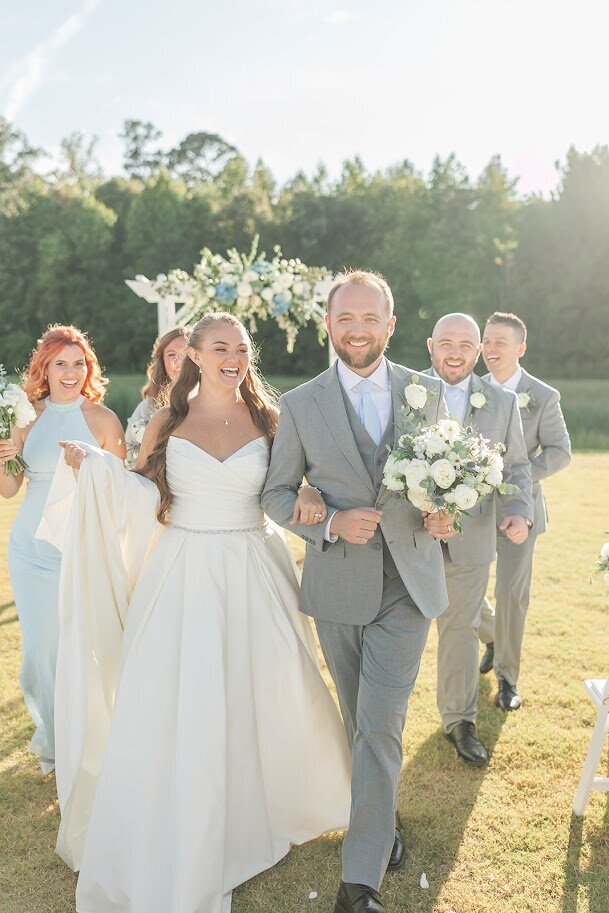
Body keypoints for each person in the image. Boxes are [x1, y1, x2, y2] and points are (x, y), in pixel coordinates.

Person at [52, 312, 351, 913]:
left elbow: (288, 487)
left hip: (253, 566)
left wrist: (314, 497)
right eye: (220, 348)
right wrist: (101, 473)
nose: (233, 358)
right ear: (193, 353)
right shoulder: (168, 418)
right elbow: (144, 493)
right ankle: (191, 805)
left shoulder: (272, 417)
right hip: (183, 569)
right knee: (180, 694)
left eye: (241, 348)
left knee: (265, 687)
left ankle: (276, 800)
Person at [262, 270, 453, 913]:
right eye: (347, 318)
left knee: (379, 721)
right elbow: (276, 494)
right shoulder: (301, 403)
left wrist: (444, 513)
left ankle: (358, 884)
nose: (358, 330)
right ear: (328, 325)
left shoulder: (428, 394)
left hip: (409, 581)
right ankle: (383, 823)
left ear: (391, 325)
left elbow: (452, 478)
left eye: (371, 318)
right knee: (357, 718)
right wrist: (330, 524)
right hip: (338, 581)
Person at [0, 325, 125, 776]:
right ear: (44, 369)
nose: (71, 372)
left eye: (79, 363)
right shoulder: (24, 416)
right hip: (31, 550)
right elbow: (9, 489)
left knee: (85, 645)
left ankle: (90, 735)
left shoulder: (104, 420)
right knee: (39, 651)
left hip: (82, 547)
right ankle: (52, 738)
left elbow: (122, 488)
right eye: (61, 364)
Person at [424, 313, 533, 766]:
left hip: (471, 539)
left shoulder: (503, 401)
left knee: (457, 630)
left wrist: (519, 511)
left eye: (465, 344)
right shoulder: (401, 390)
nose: (455, 352)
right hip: (405, 538)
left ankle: (458, 720)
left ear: (478, 350)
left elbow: (520, 466)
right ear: (430, 345)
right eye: (446, 342)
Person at [478, 312, 571, 709]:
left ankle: (508, 678)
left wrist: (514, 475)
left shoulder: (543, 395)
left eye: (500, 341)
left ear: (520, 349)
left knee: (512, 595)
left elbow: (560, 452)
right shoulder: (467, 388)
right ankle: (494, 634)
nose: (490, 348)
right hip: (474, 511)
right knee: (454, 585)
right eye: (486, 340)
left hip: (522, 511)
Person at [125, 326, 190, 460]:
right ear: (162, 361)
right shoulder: (146, 408)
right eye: (171, 355)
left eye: (185, 354)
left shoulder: (211, 402)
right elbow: (131, 457)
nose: (179, 362)